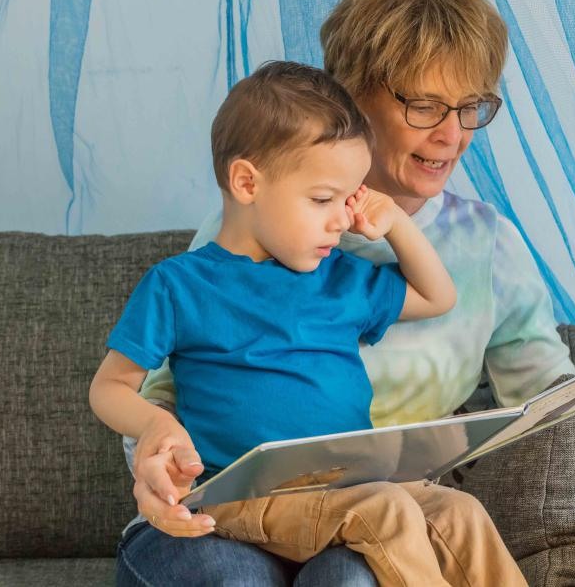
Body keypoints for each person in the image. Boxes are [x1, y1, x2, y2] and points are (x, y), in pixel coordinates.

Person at [117, 0, 575, 585]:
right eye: (426, 106)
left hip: (374, 512)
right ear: (350, 95)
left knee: (352, 575)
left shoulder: (487, 246)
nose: (452, 135)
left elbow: (544, 407)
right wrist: (156, 464)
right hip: (222, 511)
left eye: (470, 107)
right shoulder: (255, 225)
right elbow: (157, 394)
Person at [92, 61, 528, 587]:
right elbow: (110, 387)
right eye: (323, 200)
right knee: (385, 510)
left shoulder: (340, 278)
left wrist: (395, 224)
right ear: (247, 182)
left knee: (459, 512)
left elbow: (438, 296)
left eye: (348, 200)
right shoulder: (180, 285)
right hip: (240, 496)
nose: (343, 220)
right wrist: (155, 424)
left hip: (343, 488)